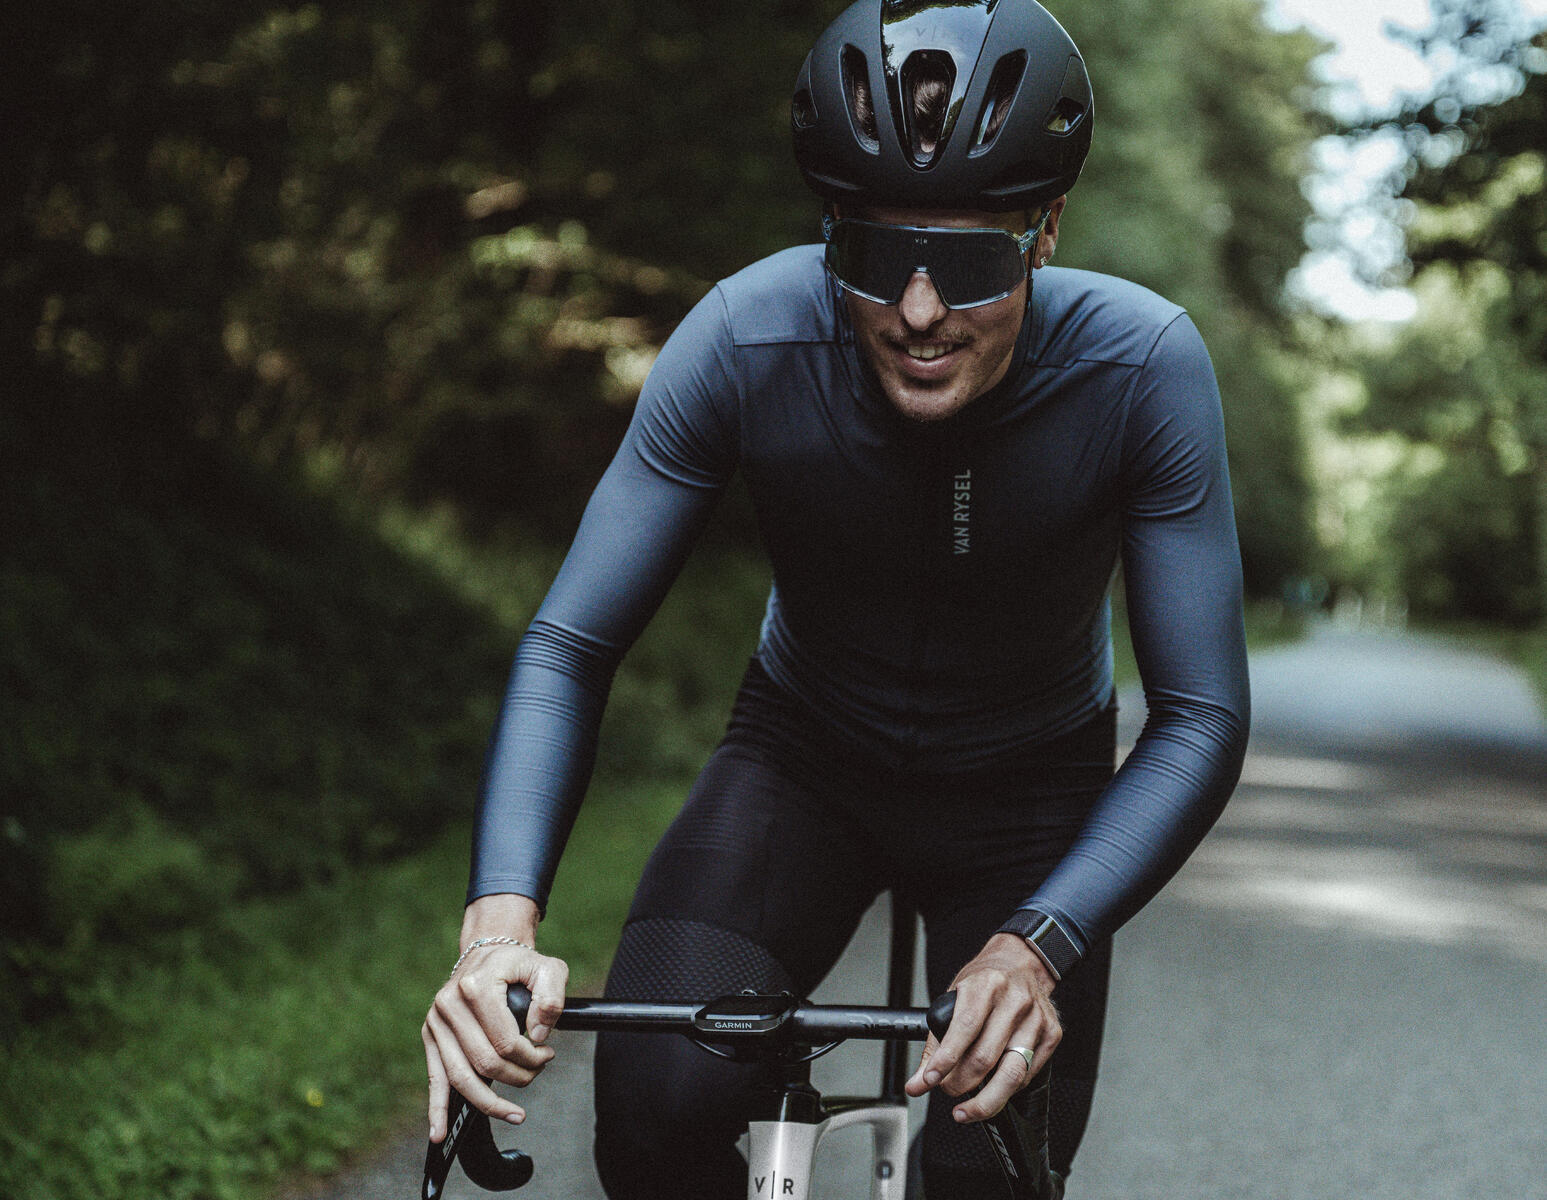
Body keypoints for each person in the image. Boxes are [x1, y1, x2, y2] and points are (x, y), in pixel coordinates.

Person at [421, 0, 1249, 1195]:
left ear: (1046, 231)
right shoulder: (744, 341)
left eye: (968, 262)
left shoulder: (1141, 371)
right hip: (803, 759)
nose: (918, 313)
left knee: (989, 1172)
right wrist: (497, 930)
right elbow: (568, 642)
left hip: (1030, 797)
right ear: (827, 239)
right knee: (655, 1106)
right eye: (873, 256)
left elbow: (1202, 717)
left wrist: (1041, 942)